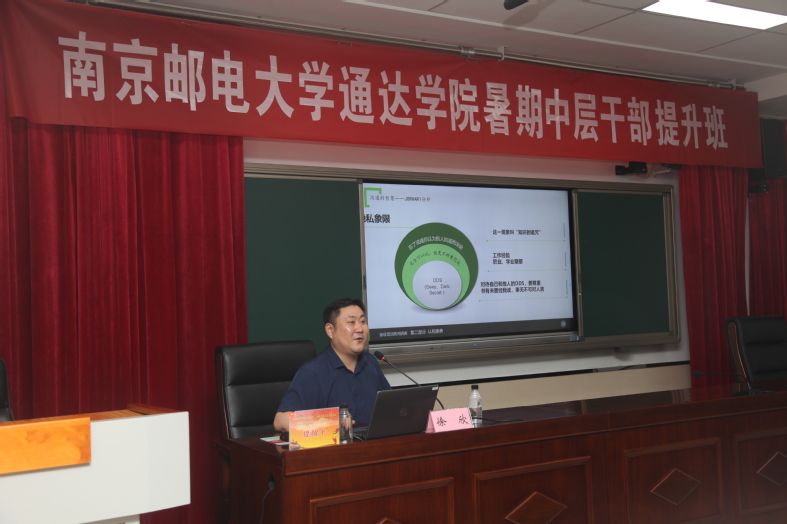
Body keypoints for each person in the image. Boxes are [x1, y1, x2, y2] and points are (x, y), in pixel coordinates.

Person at [273, 298, 391, 432]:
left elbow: (390, 407)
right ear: (330, 330)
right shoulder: (313, 372)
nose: (360, 329)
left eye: (363, 322)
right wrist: (329, 423)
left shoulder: (370, 362)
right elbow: (280, 421)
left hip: (372, 442)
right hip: (333, 444)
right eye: (351, 322)